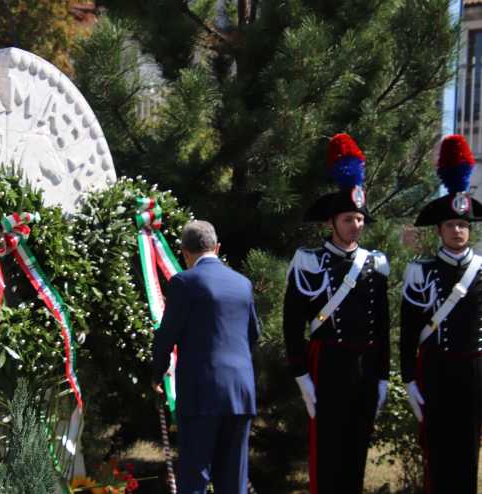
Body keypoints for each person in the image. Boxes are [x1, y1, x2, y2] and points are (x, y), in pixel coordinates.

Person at [283, 133, 390, 494]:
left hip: (364, 369)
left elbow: (383, 325)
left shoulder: (376, 264)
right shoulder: (310, 261)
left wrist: (383, 376)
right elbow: (292, 323)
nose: (356, 226)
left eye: (359, 219)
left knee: (356, 454)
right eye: (348, 219)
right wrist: (301, 374)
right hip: (326, 366)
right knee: (327, 456)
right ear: (332, 222)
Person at [152, 220, 260, 494]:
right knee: (234, 480)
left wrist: (157, 375)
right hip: (241, 391)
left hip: (202, 392)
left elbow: (167, 336)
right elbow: (253, 335)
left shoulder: (184, 282)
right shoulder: (242, 283)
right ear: (218, 247)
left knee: (195, 477)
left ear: (185, 253)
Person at [400, 134, 482, 493]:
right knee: (437, 454)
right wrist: (408, 378)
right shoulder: (421, 271)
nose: (458, 231)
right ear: (439, 230)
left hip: (474, 373)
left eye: (463, 225)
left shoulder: (481, 270)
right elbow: (408, 328)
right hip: (436, 371)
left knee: (468, 455)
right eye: (451, 225)